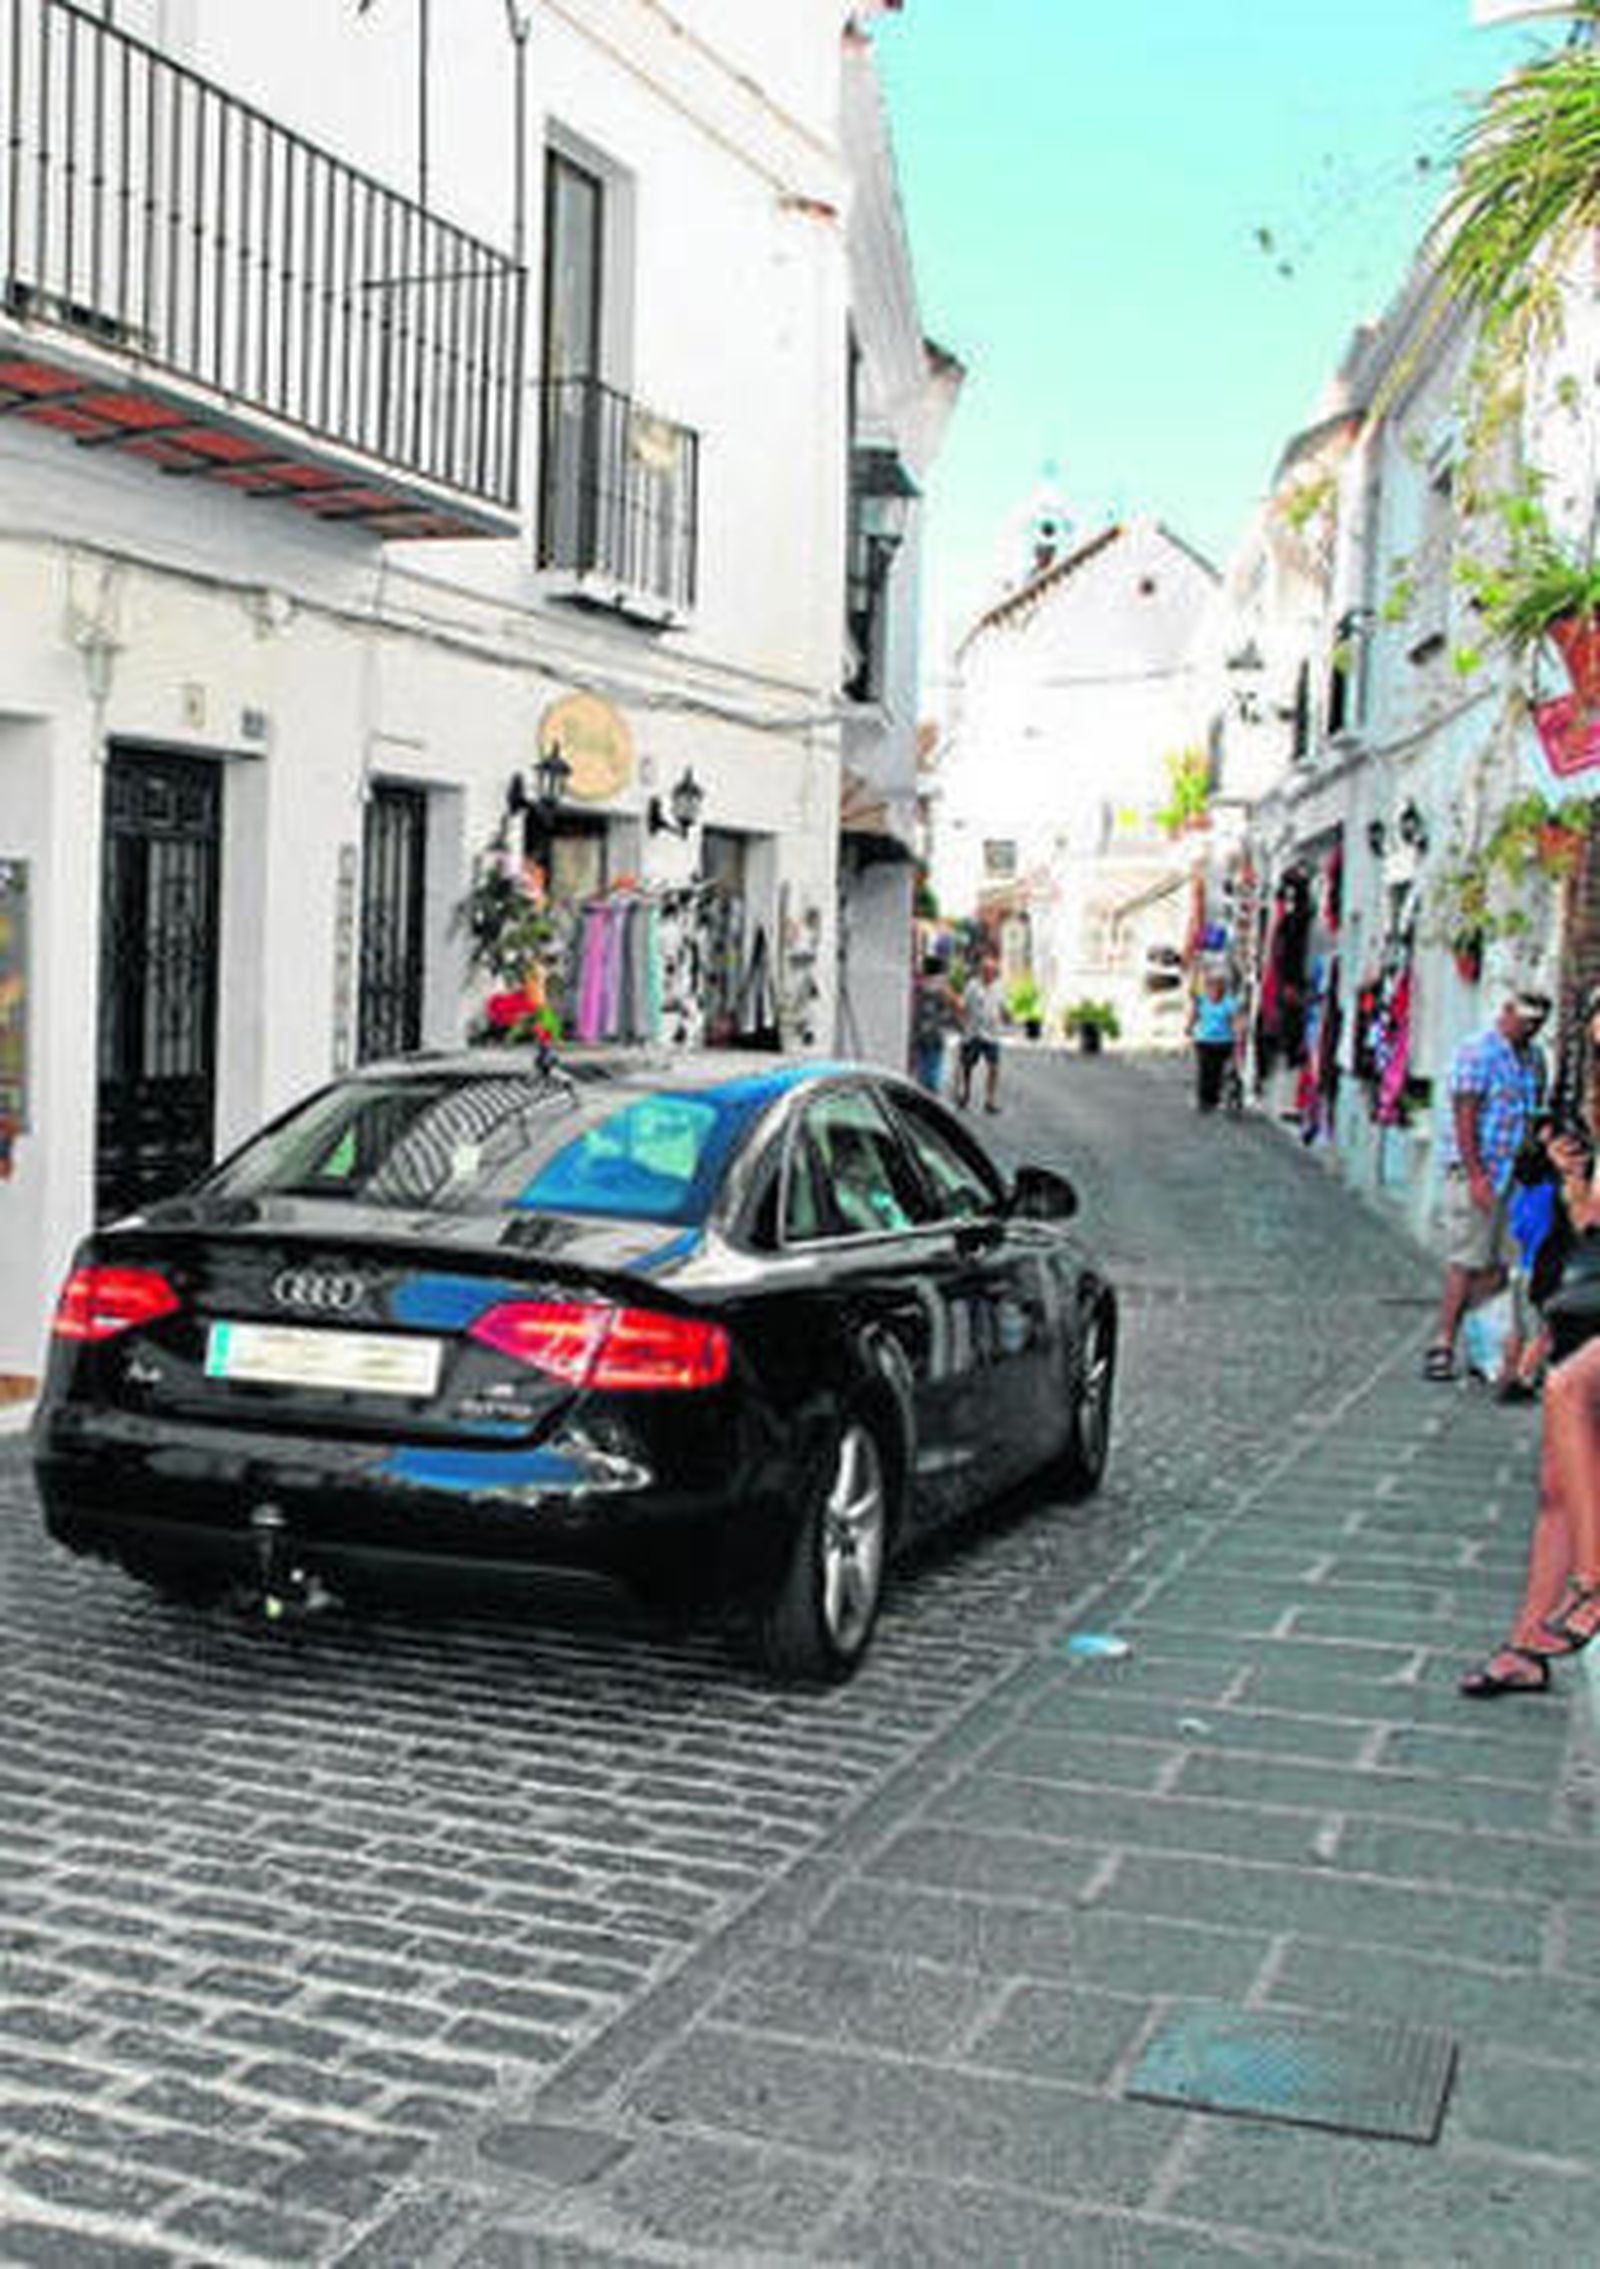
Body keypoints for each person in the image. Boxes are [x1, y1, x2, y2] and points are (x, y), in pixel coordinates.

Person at [1422, 986, 1551, 1383]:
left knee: (1496, 1266)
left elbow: (1533, 1110)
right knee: (1466, 1259)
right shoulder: (1479, 1052)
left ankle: (1483, 1348)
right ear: (1508, 1012)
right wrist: (1477, 1174)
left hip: (1515, 1173)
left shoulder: (1533, 1058)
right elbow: (1466, 1116)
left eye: (1538, 1025)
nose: (1531, 1030)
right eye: (1527, 1022)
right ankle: (1442, 1342)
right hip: (1478, 1170)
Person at [1186, 962, 1241, 1113]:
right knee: (1205, 1071)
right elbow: (1195, 1015)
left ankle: (1214, 1098)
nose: (1215, 990)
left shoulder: (1229, 1002)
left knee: (1217, 1071)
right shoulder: (1202, 1000)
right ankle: (1204, 1100)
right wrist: (1189, 1027)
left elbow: (1235, 1020)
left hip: (1223, 1042)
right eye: (1211, 986)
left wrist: (1237, 1036)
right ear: (1207, 987)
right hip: (1204, 1041)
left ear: (1223, 988)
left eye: (1218, 986)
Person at [957, 954, 1005, 1113]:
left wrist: (1004, 1016)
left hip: (992, 1034)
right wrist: (963, 1025)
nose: (989, 973)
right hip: (973, 1032)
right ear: (981, 971)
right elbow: (963, 1006)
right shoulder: (972, 986)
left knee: (994, 1067)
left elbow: (1002, 1006)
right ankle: (965, 1093)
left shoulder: (999, 987)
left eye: (992, 971)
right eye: (986, 970)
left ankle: (990, 1100)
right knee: (967, 1065)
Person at [909, 955, 959, 1094]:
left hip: (920, 1033)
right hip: (935, 1035)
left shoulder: (918, 986)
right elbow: (958, 1005)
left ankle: (920, 1094)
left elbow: (914, 1009)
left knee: (921, 1071)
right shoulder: (943, 987)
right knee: (933, 1072)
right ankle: (929, 1098)